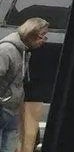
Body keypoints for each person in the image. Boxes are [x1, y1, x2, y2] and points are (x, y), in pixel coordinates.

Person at [0, 19, 48, 152]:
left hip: (12, 108)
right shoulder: (7, 49)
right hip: (3, 107)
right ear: (31, 33)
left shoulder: (24, 51)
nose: (44, 39)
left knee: (8, 145)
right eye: (41, 35)